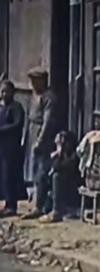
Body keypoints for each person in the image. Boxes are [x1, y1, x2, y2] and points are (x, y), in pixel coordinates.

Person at [21, 67, 59, 219]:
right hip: (32, 131)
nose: (33, 84)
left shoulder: (49, 98)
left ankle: (40, 205)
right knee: (32, 169)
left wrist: (40, 140)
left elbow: (47, 122)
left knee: (42, 171)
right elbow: (28, 116)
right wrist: (25, 136)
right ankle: (34, 201)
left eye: (36, 81)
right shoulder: (33, 96)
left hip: (42, 135)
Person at [38, 131, 81, 223]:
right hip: (58, 189)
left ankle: (56, 212)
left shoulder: (74, 155)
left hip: (72, 189)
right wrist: (54, 156)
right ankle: (38, 207)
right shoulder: (57, 154)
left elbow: (59, 167)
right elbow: (47, 166)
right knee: (43, 175)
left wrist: (60, 154)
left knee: (57, 177)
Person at [0, 80, 26, 217]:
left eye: (7, 91)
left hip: (12, 147)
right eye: (2, 91)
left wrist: (2, 130)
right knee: (3, 176)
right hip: (1, 146)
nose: (4, 94)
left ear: (12, 92)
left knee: (10, 175)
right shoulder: (1, 107)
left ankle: (12, 205)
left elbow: (17, 125)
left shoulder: (16, 107)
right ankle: (6, 202)